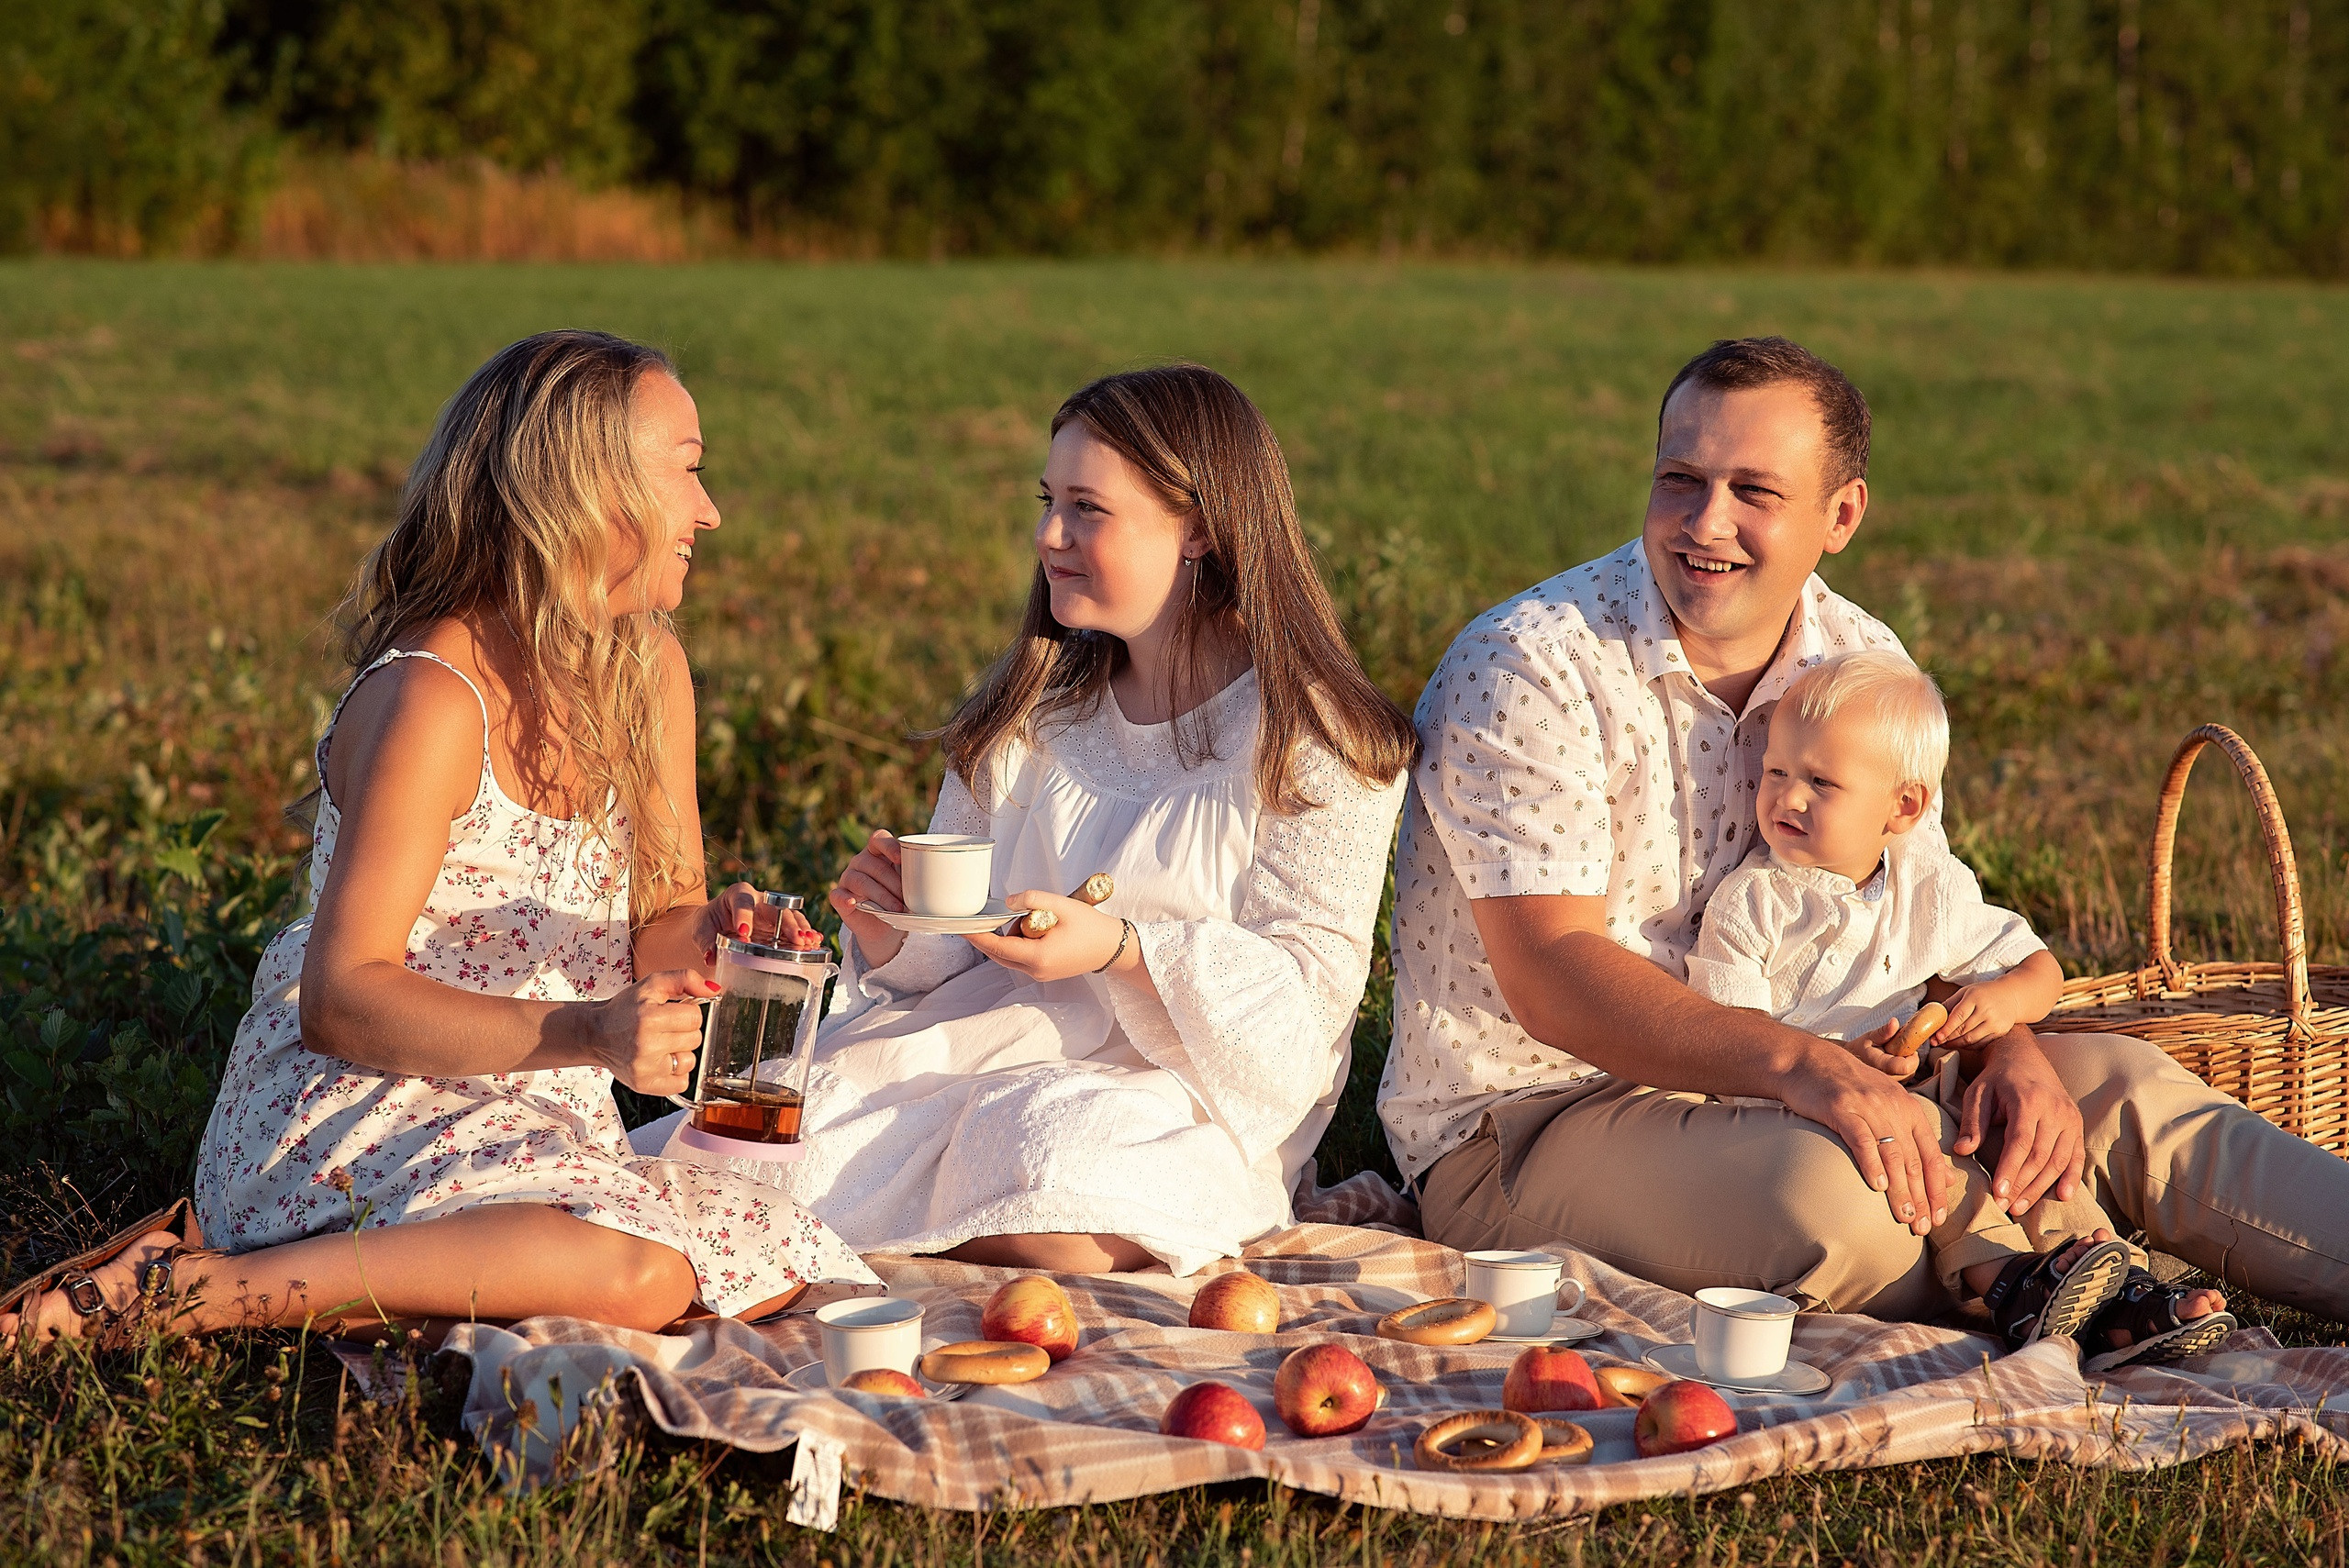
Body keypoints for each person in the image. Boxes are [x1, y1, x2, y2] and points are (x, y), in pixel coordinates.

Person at [1381, 334, 2349, 1337]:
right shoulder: (1529, 666)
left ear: (1840, 515)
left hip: (1850, 1063)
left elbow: (1920, 910)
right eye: (1680, 479)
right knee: (1844, 1200)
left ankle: (2075, 1265)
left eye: (1754, 491)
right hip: (1538, 1121)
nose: (1705, 522)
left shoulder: (1860, 658)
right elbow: (1551, 973)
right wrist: (1807, 1069)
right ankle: (2084, 1275)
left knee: (2122, 1093)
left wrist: (2009, 1048)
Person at [2, 330, 874, 1344]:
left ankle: (398, 1290)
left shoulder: (647, 672)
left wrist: (716, 937)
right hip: (355, 1104)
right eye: (687, 470)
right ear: (589, 491)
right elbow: (341, 999)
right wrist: (589, 1033)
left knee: (773, 1261)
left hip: (529, 1108)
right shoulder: (434, 696)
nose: (709, 510)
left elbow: (660, 925)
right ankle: (186, 1292)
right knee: (640, 1279)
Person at [651, 364, 1415, 1275]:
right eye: (1049, 501)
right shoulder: (1035, 714)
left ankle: (878, 1232)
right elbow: (951, 957)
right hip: (983, 1048)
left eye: (1088, 508)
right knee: (783, 1139)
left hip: (1180, 1097)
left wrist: (1123, 950)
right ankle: (891, 1224)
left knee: (1048, 1164)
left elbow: (1307, 1015)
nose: (1049, 534)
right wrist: (891, 931)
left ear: (1201, 528)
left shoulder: (1311, 743)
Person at [1683, 650, 2233, 1368]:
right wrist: (1836, 1062)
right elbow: (1736, 1040)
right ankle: (2011, 1285)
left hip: (1924, 1080)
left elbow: (2040, 969)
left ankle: (2108, 1280)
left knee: (2009, 1133)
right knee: (1934, 1139)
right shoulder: (1753, 903)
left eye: (1820, 782)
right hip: (1807, 1109)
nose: (1787, 798)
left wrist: (1999, 1002)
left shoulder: (1928, 887)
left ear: (1904, 807)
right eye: (1776, 772)